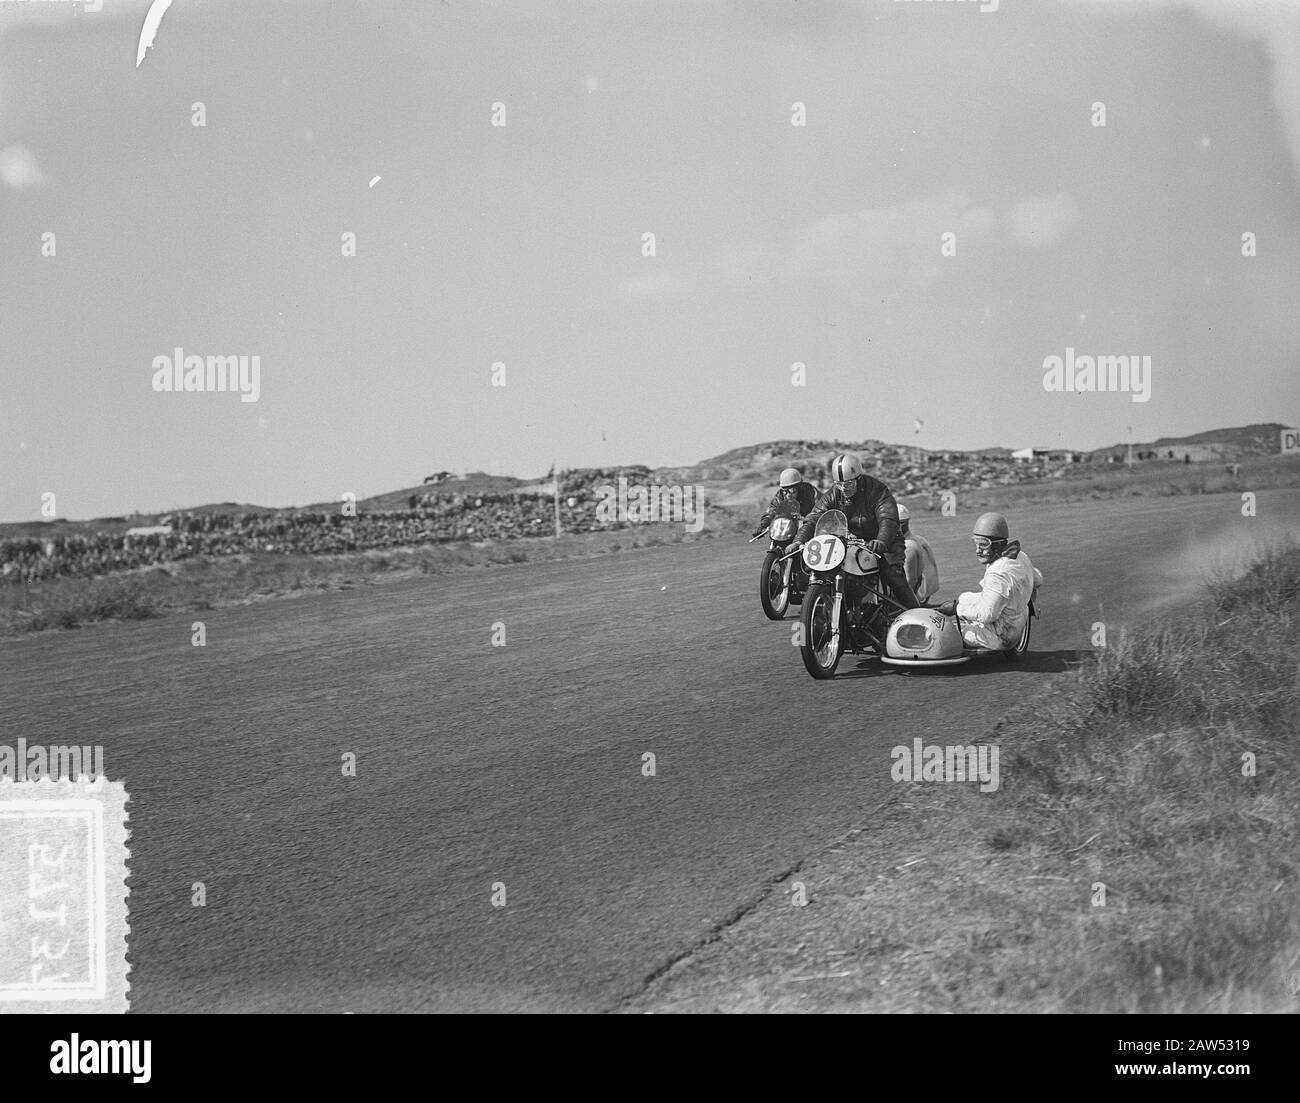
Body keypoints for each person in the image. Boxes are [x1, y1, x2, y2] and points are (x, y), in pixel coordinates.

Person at [794, 452, 919, 609]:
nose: (844, 489)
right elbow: (814, 518)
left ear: (859, 479)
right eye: (839, 484)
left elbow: (888, 519)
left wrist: (881, 541)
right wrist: (799, 540)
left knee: (893, 576)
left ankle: (917, 615)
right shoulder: (834, 494)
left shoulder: (877, 491)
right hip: (851, 542)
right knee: (827, 571)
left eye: (849, 484)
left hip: (885, 540)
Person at [937, 512, 1042, 649]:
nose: (977, 551)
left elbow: (987, 615)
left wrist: (956, 609)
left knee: (950, 635)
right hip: (1019, 618)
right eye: (976, 543)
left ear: (999, 544)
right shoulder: (1020, 556)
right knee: (964, 597)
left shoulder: (998, 573)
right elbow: (1038, 579)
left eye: (984, 545)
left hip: (1001, 636)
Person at [754, 467, 818, 534]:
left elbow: (820, 508)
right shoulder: (780, 496)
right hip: (789, 528)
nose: (788, 495)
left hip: (812, 526)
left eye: (792, 490)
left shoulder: (811, 491)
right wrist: (763, 525)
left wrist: (807, 519)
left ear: (799, 487)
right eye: (785, 491)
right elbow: (772, 511)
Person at [897, 503, 939, 603]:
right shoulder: (920, 540)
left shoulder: (907, 546)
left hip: (915, 596)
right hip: (925, 592)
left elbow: (910, 581)